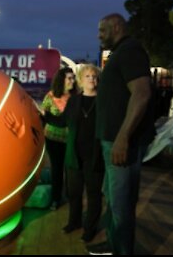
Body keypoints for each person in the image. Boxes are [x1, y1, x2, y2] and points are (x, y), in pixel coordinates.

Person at [89, 13, 155, 255]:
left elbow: (141, 94)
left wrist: (123, 137)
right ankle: (113, 243)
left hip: (121, 145)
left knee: (122, 204)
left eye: (102, 30)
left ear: (116, 27)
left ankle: (122, 250)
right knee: (114, 199)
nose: (98, 35)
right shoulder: (121, 52)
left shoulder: (130, 50)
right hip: (112, 143)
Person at [41, 64, 105, 243]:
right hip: (74, 155)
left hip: (95, 156)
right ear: (81, 80)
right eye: (88, 76)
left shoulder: (103, 101)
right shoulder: (74, 101)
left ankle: (90, 228)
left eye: (94, 76)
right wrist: (44, 116)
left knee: (93, 195)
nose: (92, 79)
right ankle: (74, 222)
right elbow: (62, 122)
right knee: (74, 193)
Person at [40, 67, 76, 210]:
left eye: (73, 78)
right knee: (56, 169)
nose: (72, 81)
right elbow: (44, 116)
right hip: (52, 140)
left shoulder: (76, 98)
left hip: (71, 140)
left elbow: (64, 120)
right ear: (62, 80)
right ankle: (56, 198)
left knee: (70, 170)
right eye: (69, 78)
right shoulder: (50, 97)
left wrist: (51, 118)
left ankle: (70, 197)